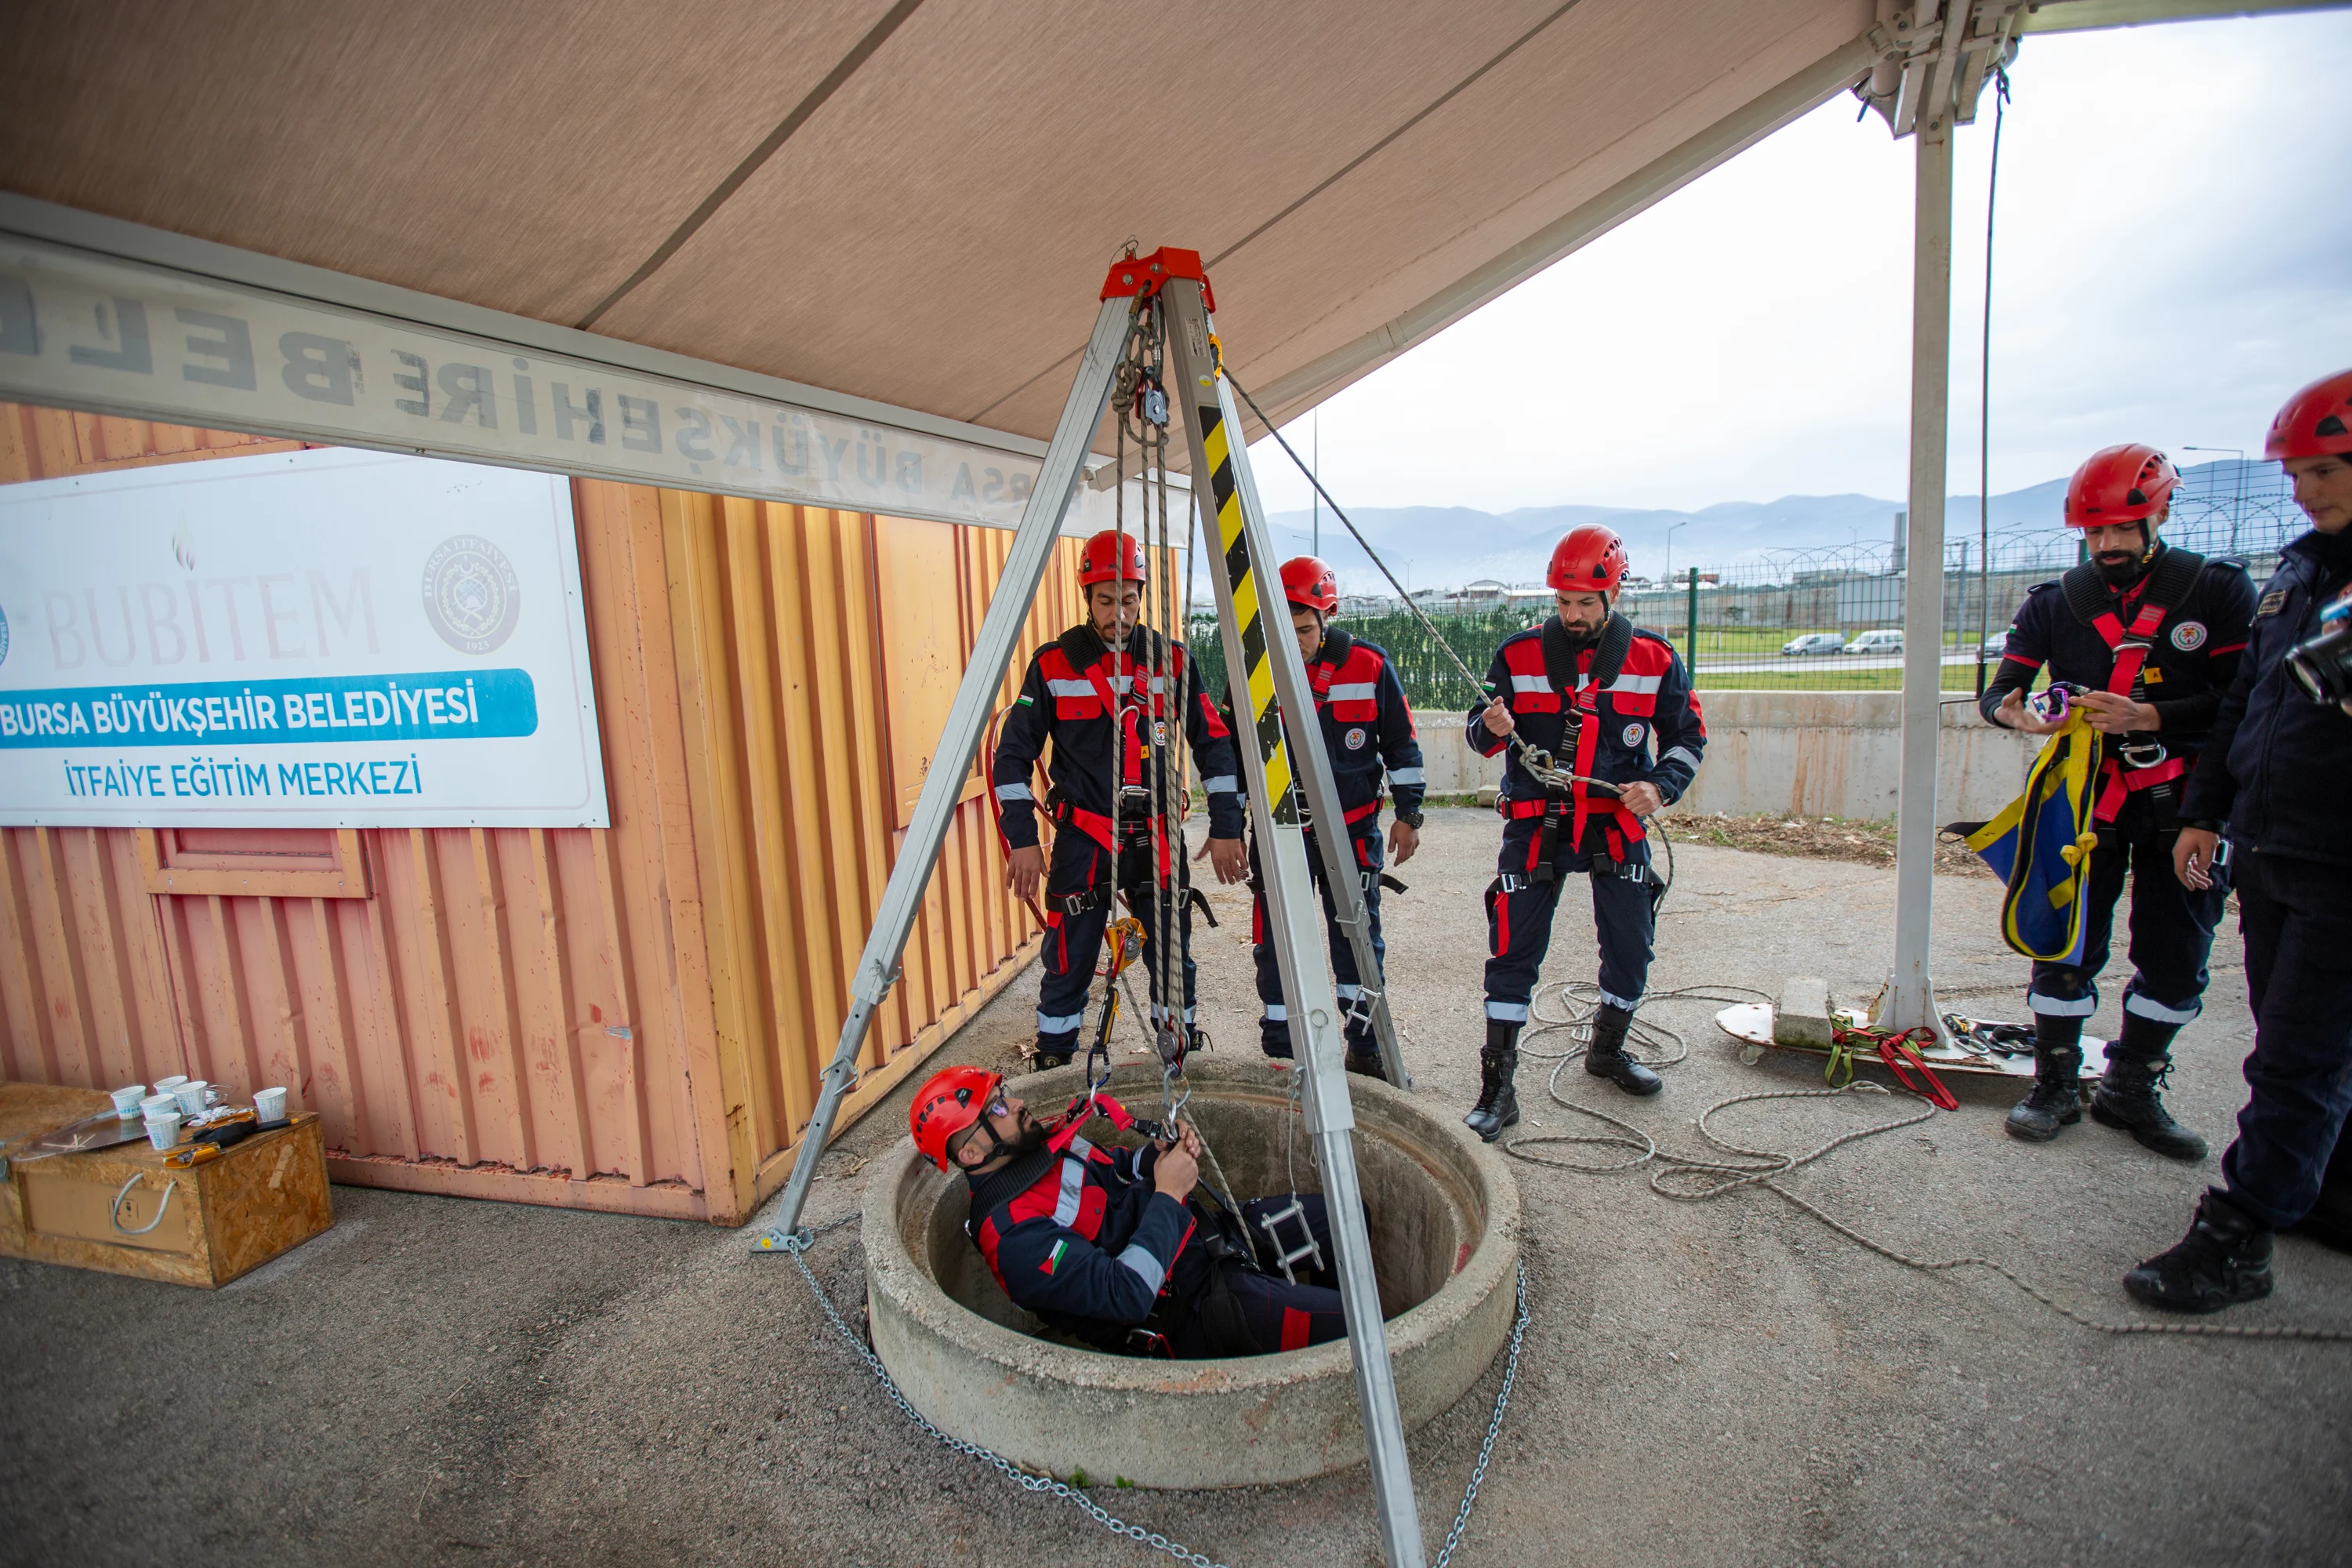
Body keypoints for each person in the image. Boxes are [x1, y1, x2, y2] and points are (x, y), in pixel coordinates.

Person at [2127, 368, 2352, 1312]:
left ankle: (2240, 1233)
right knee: (2298, 1037)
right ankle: (2323, 1194)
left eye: (2323, 468)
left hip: (2342, 858)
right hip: (2268, 845)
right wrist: (2205, 814)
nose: (2302, 487)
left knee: (2298, 1053)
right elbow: (2242, 711)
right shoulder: (2298, 576)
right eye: (2297, 470)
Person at [1976, 445, 2256, 1157]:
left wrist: (2151, 718)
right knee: (2065, 942)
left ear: (2159, 513)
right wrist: (2022, 714)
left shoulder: (2215, 591)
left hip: (2188, 801)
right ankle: (2056, 1081)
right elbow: (2000, 693)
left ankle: (2134, 1086)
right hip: (2087, 805)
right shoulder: (2058, 602)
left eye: (2122, 531)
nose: (2107, 546)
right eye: (2094, 533)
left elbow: (2243, 701)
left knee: (2177, 951)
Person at [1463, 525, 1706, 1140]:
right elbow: (1480, 735)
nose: (1571, 616)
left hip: (1616, 825)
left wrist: (1660, 786)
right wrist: (1491, 726)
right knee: (1513, 951)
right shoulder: (1518, 656)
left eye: (1585, 605)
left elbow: (1687, 736)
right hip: (1537, 824)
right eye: (1563, 603)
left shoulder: (1654, 659)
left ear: (1614, 594)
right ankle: (1499, 1086)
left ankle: (1608, 1049)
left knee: (1630, 944)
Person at [993, 529, 1247, 1067]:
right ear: (1088, 598)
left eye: (1128, 598)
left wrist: (1227, 826)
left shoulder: (1171, 661)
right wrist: (1022, 839)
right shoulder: (1054, 665)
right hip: (1085, 838)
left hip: (1156, 836)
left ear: (1141, 595)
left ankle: (1178, 1057)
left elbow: (1214, 744)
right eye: (1106, 600)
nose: (1119, 612)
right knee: (1070, 957)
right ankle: (1055, 1061)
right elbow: (1011, 756)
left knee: (1173, 958)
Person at [909, 1065, 1352, 1357]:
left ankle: (1299, 1311)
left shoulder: (1039, 1148)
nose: (1017, 1104)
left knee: (1350, 1220)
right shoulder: (1016, 1242)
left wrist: (1156, 1154)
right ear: (971, 1153)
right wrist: (1169, 1194)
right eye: (997, 1108)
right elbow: (1126, 1293)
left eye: (1004, 1094)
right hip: (1197, 1308)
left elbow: (1115, 1166)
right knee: (1360, 1326)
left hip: (1213, 1238)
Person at [1245, 556, 1425, 1073]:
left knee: (1357, 938)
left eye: (1303, 629)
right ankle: (1284, 1047)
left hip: (1351, 833)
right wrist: (1228, 827)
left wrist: (1409, 814)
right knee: (1277, 939)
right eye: (1283, 628)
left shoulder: (1369, 667)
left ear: (1329, 617)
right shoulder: (1256, 668)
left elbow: (1401, 745)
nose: (1293, 639)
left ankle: (1365, 1049)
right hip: (1282, 834)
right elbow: (1234, 755)